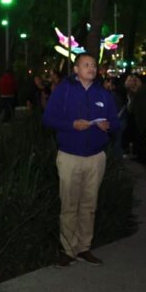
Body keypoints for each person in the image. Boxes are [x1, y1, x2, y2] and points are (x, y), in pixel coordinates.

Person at [42, 53, 119, 268]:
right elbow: (47, 118)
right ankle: (67, 250)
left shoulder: (103, 94)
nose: (91, 68)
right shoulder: (63, 91)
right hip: (69, 156)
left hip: (95, 157)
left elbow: (116, 121)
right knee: (69, 205)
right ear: (76, 69)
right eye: (86, 65)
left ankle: (84, 248)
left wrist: (108, 125)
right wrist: (71, 124)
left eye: (94, 65)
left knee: (89, 205)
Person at [125, 74, 146, 164]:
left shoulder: (143, 90)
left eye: (136, 80)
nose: (135, 82)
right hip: (142, 117)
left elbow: (136, 103)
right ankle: (141, 156)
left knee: (142, 139)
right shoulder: (145, 90)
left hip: (142, 118)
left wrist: (132, 94)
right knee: (140, 138)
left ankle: (143, 158)